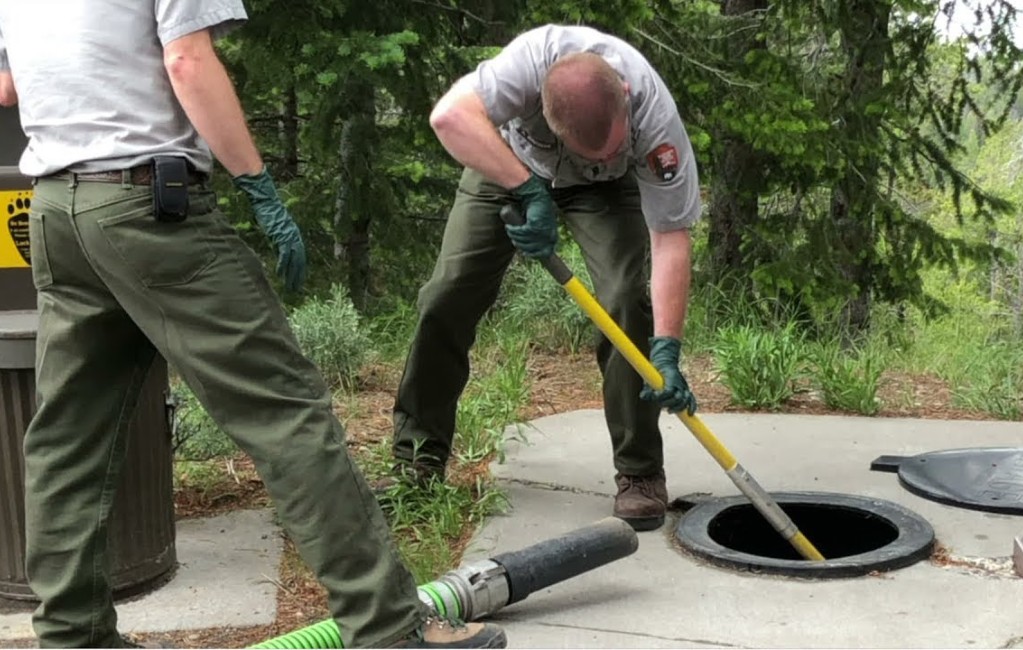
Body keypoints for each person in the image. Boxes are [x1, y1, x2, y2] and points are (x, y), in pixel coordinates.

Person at [0, 2, 507, 648]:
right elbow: (186, 58)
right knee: (285, 410)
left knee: (68, 436)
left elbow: (9, 86)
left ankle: (72, 635)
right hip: (144, 207)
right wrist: (258, 184)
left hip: (55, 213)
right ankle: (388, 626)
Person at [383, 24, 701, 532]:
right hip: (510, 168)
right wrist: (526, 188)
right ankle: (418, 458)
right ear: (543, 114)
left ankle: (640, 474)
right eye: (588, 149)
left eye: (611, 146)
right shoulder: (525, 66)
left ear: (625, 97)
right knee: (447, 294)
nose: (599, 153)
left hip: (605, 194)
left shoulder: (653, 114)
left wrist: (667, 347)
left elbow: (670, 236)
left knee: (624, 299)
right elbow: (449, 116)